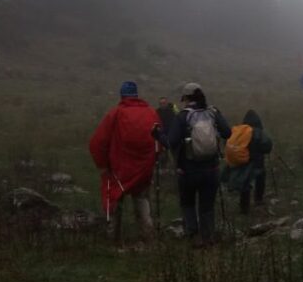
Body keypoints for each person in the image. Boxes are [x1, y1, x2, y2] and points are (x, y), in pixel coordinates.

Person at [88, 81, 161, 243]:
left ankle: (112, 241)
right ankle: (149, 240)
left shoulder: (115, 114)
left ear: (122, 96)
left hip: (119, 171)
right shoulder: (151, 113)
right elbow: (159, 141)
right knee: (142, 202)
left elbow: (97, 142)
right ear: (136, 95)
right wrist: (152, 161)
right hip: (143, 171)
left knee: (113, 201)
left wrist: (103, 165)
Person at [167, 82, 232, 246]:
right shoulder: (213, 112)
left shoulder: (182, 116)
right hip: (211, 169)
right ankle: (208, 238)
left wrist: (158, 135)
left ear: (186, 98)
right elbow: (228, 132)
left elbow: (171, 141)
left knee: (188, 203)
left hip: (187, 171)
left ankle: (193, 236)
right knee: (207, 206)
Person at [223, 109, 274, 214]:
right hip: (256, 163)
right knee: (260, 177)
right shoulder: (258, 132)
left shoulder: (239, 131)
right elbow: (267, 146)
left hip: (241, 161)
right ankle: (258, 200)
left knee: (245, 184)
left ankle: (244, 208)